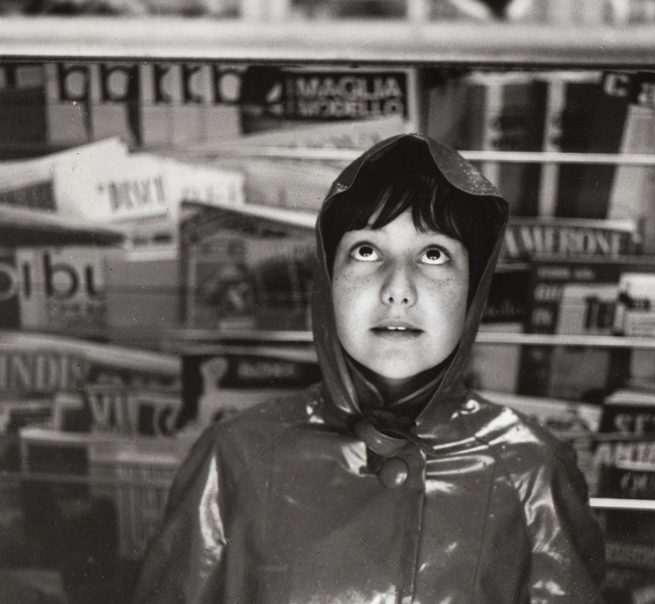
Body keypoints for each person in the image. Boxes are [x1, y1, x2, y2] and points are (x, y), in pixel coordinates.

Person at [132, 133, 605, 603]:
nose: (398, 289)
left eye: (434, 254)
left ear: (473, 288)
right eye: (365, 251)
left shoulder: (531, 471)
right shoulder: (233, 458)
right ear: (327, 278)